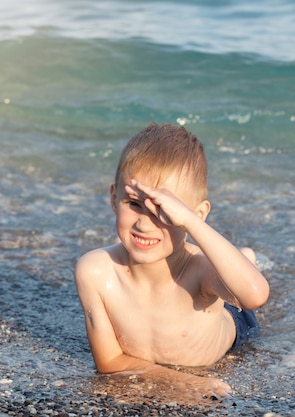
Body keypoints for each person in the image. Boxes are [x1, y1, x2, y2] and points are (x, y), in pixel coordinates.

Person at [74, 122, 269, 400]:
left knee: (235, 285)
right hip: (203, 317)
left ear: (195, 215)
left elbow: (255, 296)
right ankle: (242, 257)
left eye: (164, 211)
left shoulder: (199, 271)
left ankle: (244, 257)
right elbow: (110, 362)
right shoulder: (96, 271)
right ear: (115, 197)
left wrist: (189, 222)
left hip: (235, 324)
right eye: (134, 203)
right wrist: (182, 381)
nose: (145, 224)